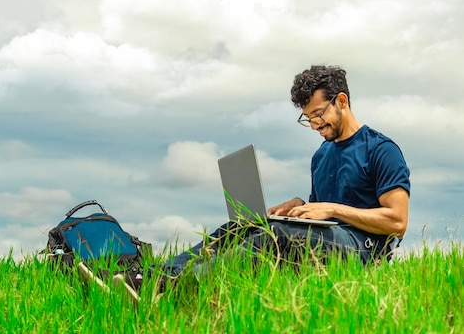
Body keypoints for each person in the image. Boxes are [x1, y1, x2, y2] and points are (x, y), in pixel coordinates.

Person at [164, 65, 411, 275]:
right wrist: (299, 205)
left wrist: (334, 210)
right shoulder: (322, 155)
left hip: (364, 250)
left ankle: (192, 283)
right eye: (308, 118)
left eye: (318, 114)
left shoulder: (380, 149)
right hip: (329, 240)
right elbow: (320, 212)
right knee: (243, 226)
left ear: (341, 101)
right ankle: (158, 276)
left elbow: (397, 221)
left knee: (276, 234)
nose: (314, 125)